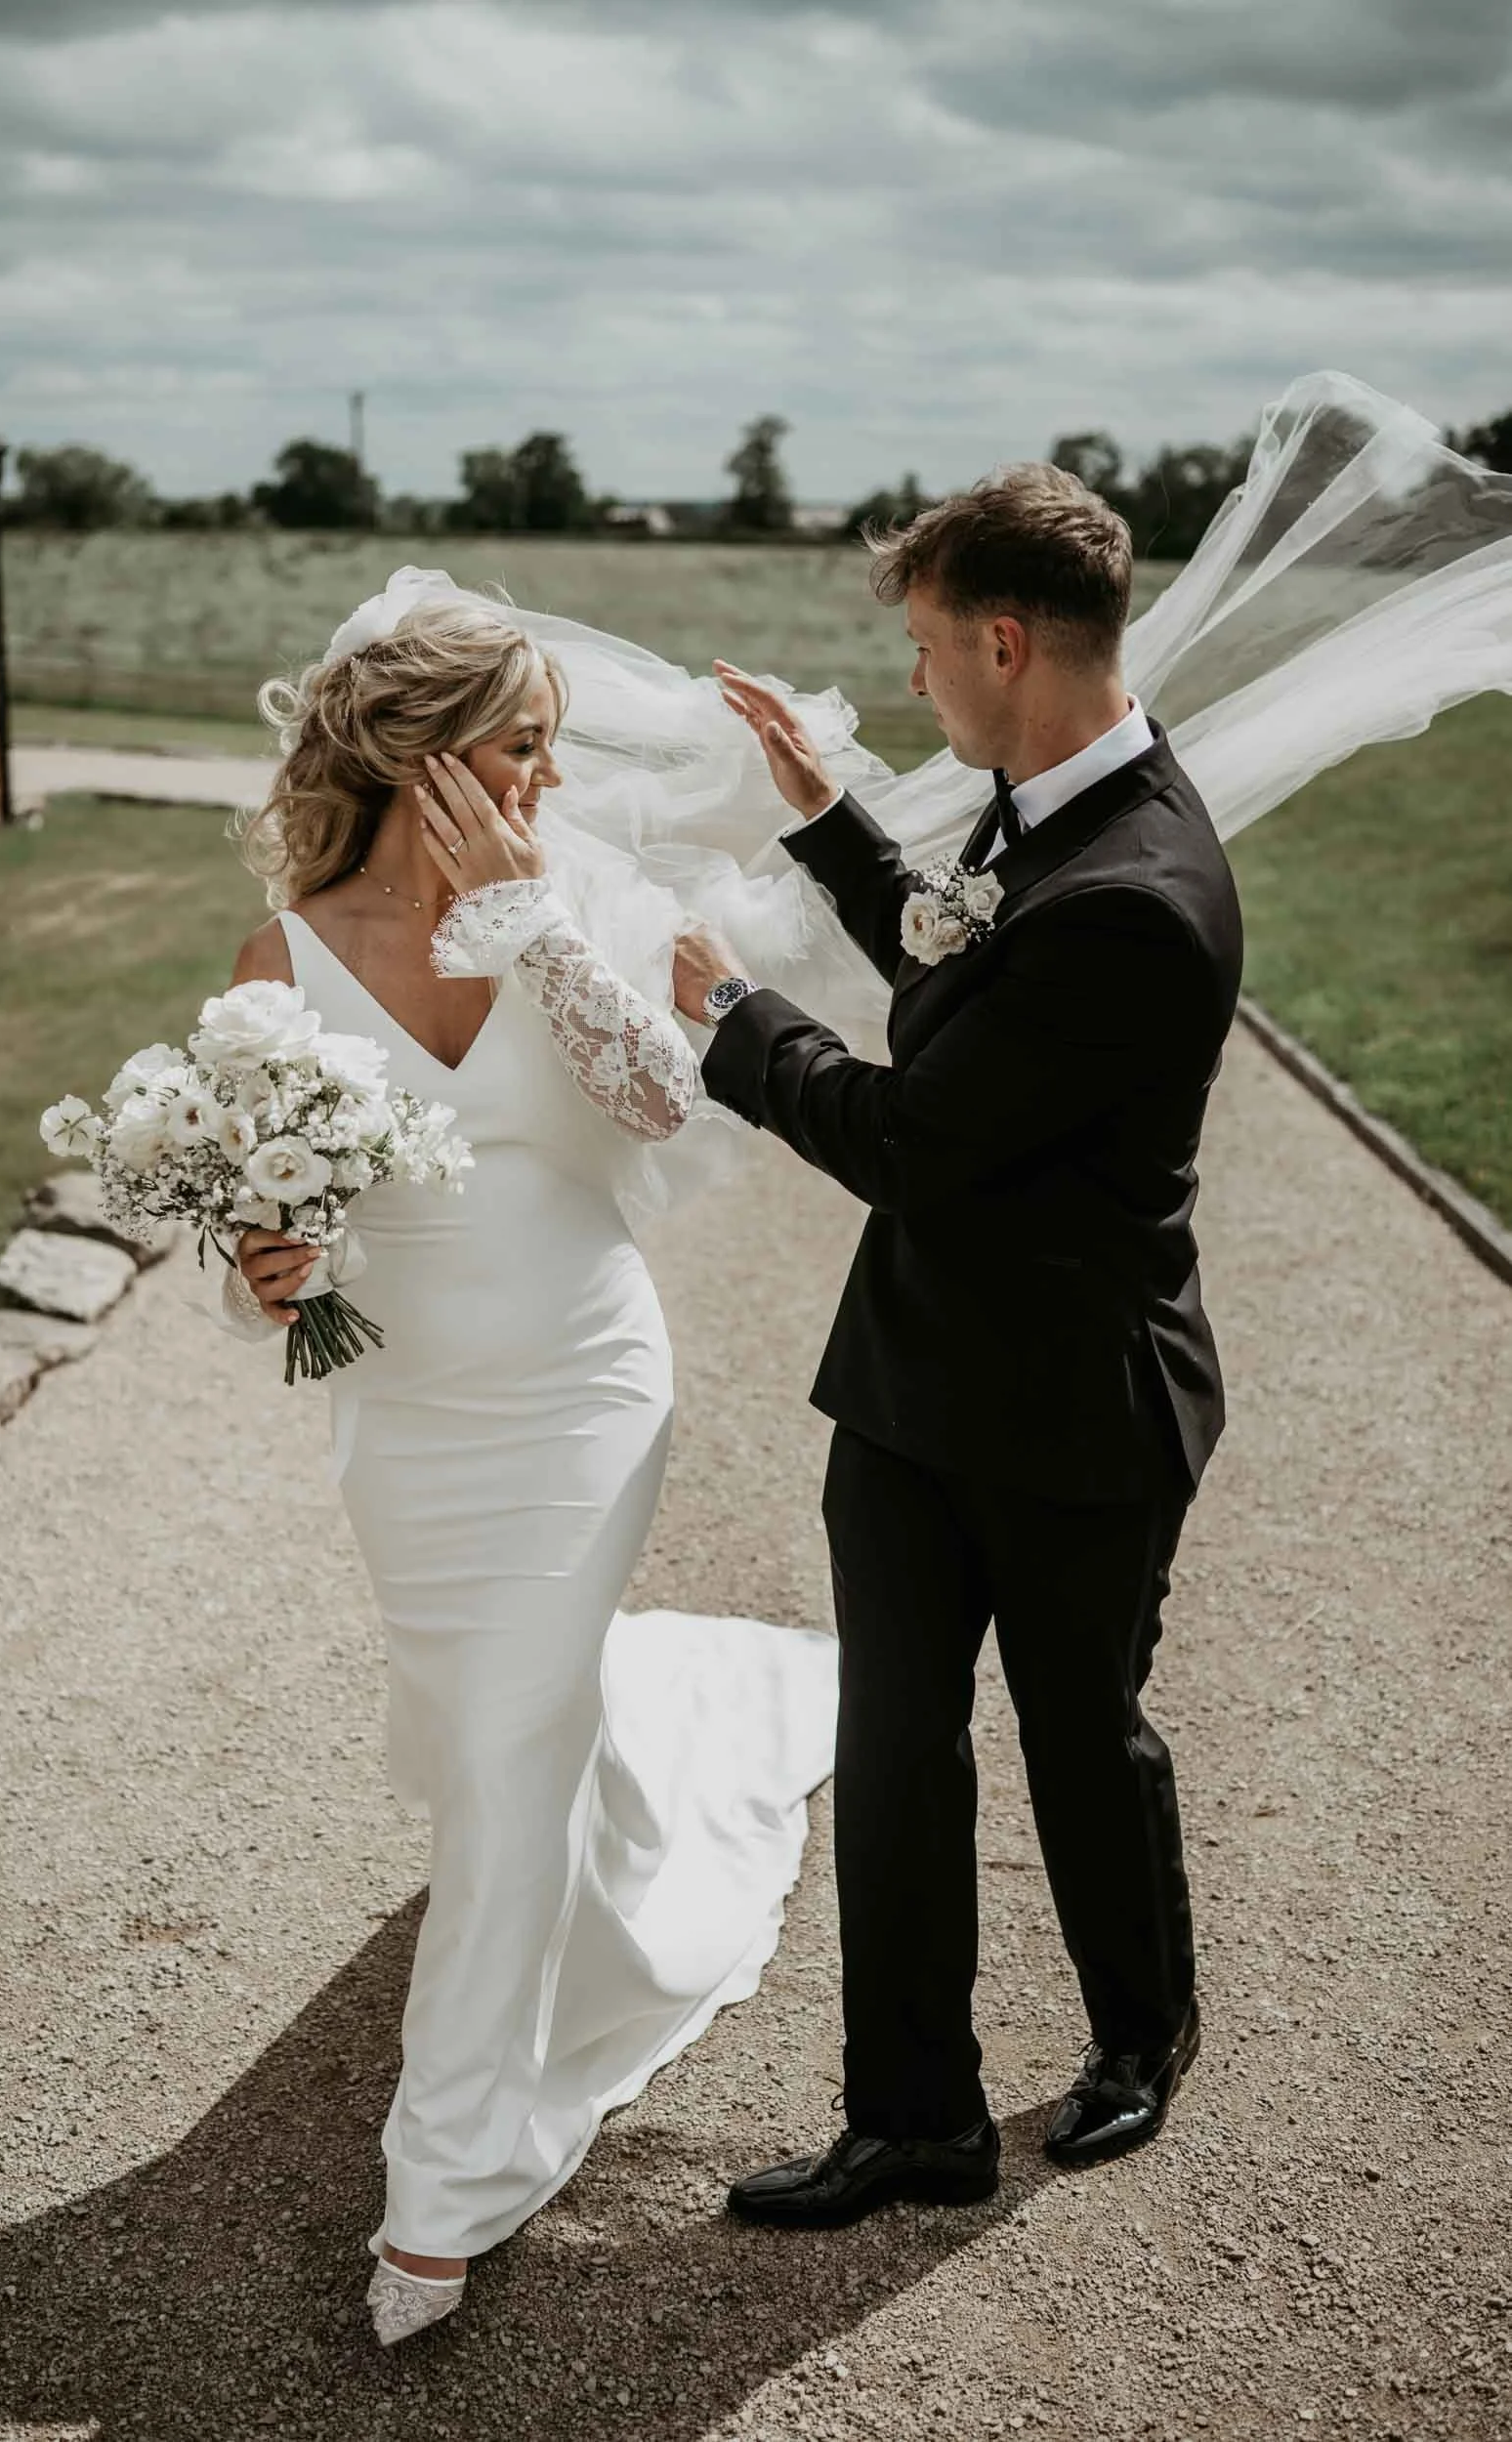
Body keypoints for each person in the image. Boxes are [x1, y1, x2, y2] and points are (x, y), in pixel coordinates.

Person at [220, 598, 837, 2342]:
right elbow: (273, 1222)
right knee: (505, 1728)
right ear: (421, 756)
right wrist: (264, 1263)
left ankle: (448, 2177)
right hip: (408, 1413)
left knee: (501, 1745)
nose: (549, 773)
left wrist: (529, 917)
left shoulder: (578, 896)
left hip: (579, 1384)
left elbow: (659, 1102)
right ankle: (613, 1795)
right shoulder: (283, 955)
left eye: (551, 742)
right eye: (519, 744)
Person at [671, 463, 1243, 2224]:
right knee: (898, 1748)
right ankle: (910, 2113)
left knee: (1085, 1739)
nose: (916, 684)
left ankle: (1143, 2032)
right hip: (917, 1383)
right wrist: (831, 816)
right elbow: (950, 979)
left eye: (925, 651)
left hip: (1077, 1409)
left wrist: (733, 1019)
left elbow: (912, 1133)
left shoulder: (1137, 889)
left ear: (1004, 641)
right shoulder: (1040, 804)